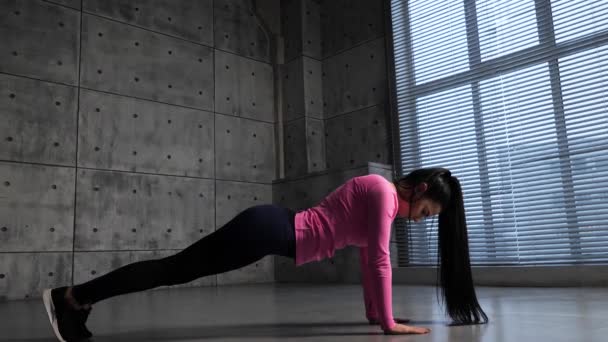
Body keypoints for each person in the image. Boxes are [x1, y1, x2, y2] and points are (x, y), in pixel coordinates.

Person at [43, 167, 488, 341]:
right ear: (422, 191)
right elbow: (377, 260)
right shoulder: (383, 194)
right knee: (173, 270)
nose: (421, 220)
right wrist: (390, 325)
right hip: (268, 229)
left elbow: (371, 265)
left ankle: (76, 300)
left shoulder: (383, 200)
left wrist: (377, 316)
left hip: (270, 229)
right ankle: (72, 296)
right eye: (428, 212)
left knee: (177, 270)